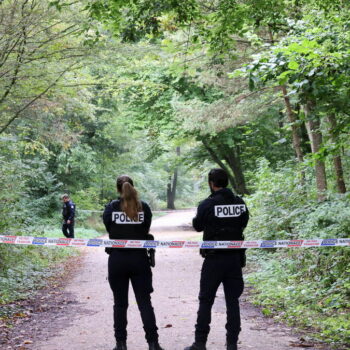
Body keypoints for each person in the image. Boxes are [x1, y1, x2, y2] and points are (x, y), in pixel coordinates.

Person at [184, 169, 249, 350]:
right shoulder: (239, 202)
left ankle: (200, 343)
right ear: (226, 182)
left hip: (213, 259)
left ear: (212, 183)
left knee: (206, 301)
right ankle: (232, 344)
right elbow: (243, 222)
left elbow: (197, 226)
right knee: (232, 302)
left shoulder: (207, 204)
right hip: (234, 259)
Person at [103, 175, 165, 350]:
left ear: (118, 189)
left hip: (117, 260)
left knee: (120, 304)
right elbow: (146, 229)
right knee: (145, 302)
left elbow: (109, 228)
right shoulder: (143, 207)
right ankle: (153, 344)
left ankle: (120, 344)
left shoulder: (111, 208)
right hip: (139, 260)